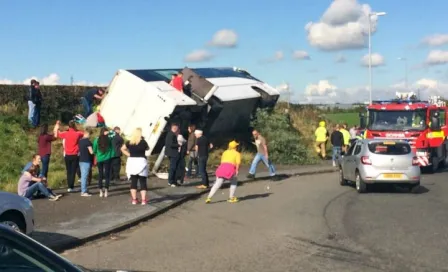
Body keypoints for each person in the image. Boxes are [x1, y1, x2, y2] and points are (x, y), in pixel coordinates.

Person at [121, 128, 150, 205]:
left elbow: (122, 149)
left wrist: (129, 154)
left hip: (132, 162)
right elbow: (147, 148)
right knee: (142, 181)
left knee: (133, 182)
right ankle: (143, 200)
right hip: (141, 162)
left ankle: (134, 199)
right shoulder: (143, 142)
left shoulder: (129, 142)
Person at [54, 120, 84, 192]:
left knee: (68, 171)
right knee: (73, 171)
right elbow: (84, 134)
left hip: (67, 155)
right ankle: (71, 186)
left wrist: (57, 126)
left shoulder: (66, 133)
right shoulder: (78, 134)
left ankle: (69, 186)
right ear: (74, 126)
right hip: (75, 155)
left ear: (68, 126)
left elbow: (58, 134)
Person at [93, 127, 113, 197]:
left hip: (99, 159)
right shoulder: (109, 139)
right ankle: (106, 191)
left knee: (100, 175)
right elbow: (111, 148)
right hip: (107, 158)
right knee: (107, 175)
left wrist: (96, 155)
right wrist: (110, 132)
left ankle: (100, 191)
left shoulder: (96, 140)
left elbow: (94, 150)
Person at [165, 123, 180, 187]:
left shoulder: (169, 134)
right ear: (175, 128)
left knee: (173, 167)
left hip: (170, 153)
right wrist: (178, 145)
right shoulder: (172, 135)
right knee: (173, 167)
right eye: (177, 128)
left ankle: (173, 181)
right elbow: (171, 144)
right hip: (173, 153)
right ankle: (171, 181)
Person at [79, 129, 94, 196]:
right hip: (86, 160)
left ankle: (84, 189)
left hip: (81, 160)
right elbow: (91, 152)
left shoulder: (80, 141)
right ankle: (84, 191)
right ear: (88, 134)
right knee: (85, 176)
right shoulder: (88, 142)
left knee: (83, 176)